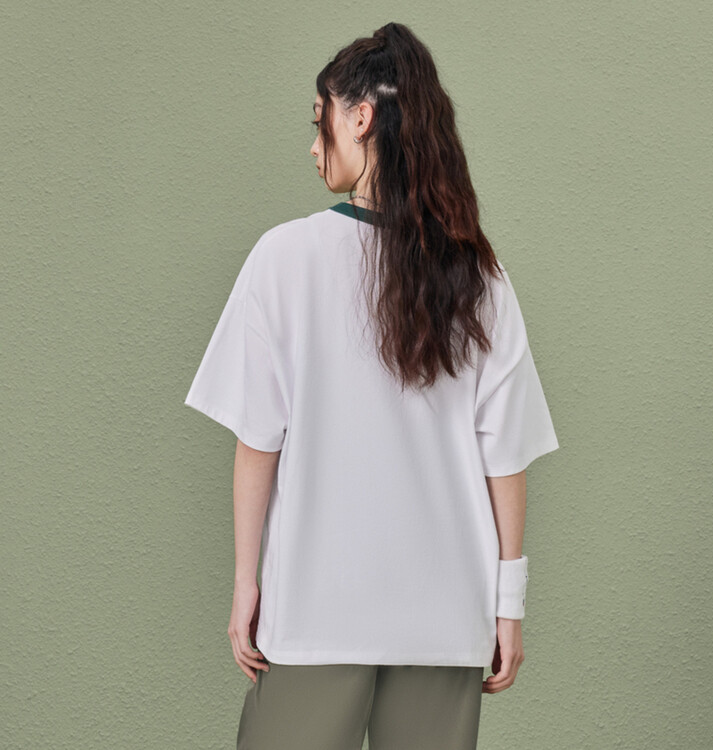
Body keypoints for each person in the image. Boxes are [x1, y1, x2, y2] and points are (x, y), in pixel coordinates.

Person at [184, 21, 559, 750]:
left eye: (317, 118)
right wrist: (507, 605)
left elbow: (258, 440)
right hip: (446, 613)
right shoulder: (478, 275)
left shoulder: (283, 258)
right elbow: (504, 455)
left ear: (359, 116)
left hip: (318, 608)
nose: (312, 144)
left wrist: (246, 583)